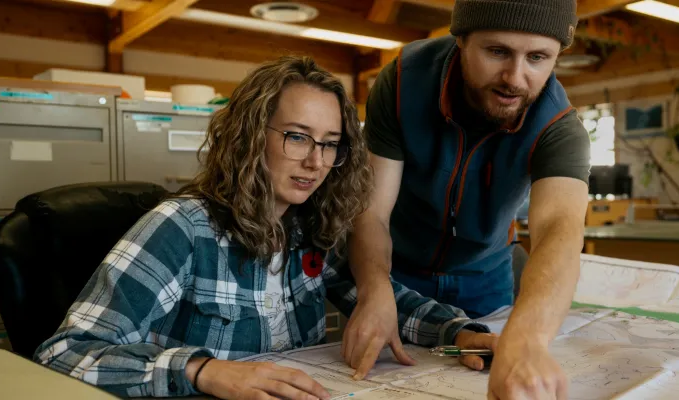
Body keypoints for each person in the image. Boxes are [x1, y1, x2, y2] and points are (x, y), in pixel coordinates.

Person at [34, 56, 497, 399]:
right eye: (297, 136)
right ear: (253, 135)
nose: (316, 162)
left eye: (330, 144)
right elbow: (65, 352)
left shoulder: (307, 229)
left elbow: (382, 301)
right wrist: (204, 371)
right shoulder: (181, 228)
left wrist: (456, 333)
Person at [341, 0, 591, 399]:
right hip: (395, 272)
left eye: (538, 58)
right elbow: (371, 211)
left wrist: (527, 339)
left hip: (486, 282)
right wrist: (374, 289)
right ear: (461, 40)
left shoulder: (560, 127)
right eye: (497, 51)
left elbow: (559, 231)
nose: (515, 77)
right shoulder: (403, 81)